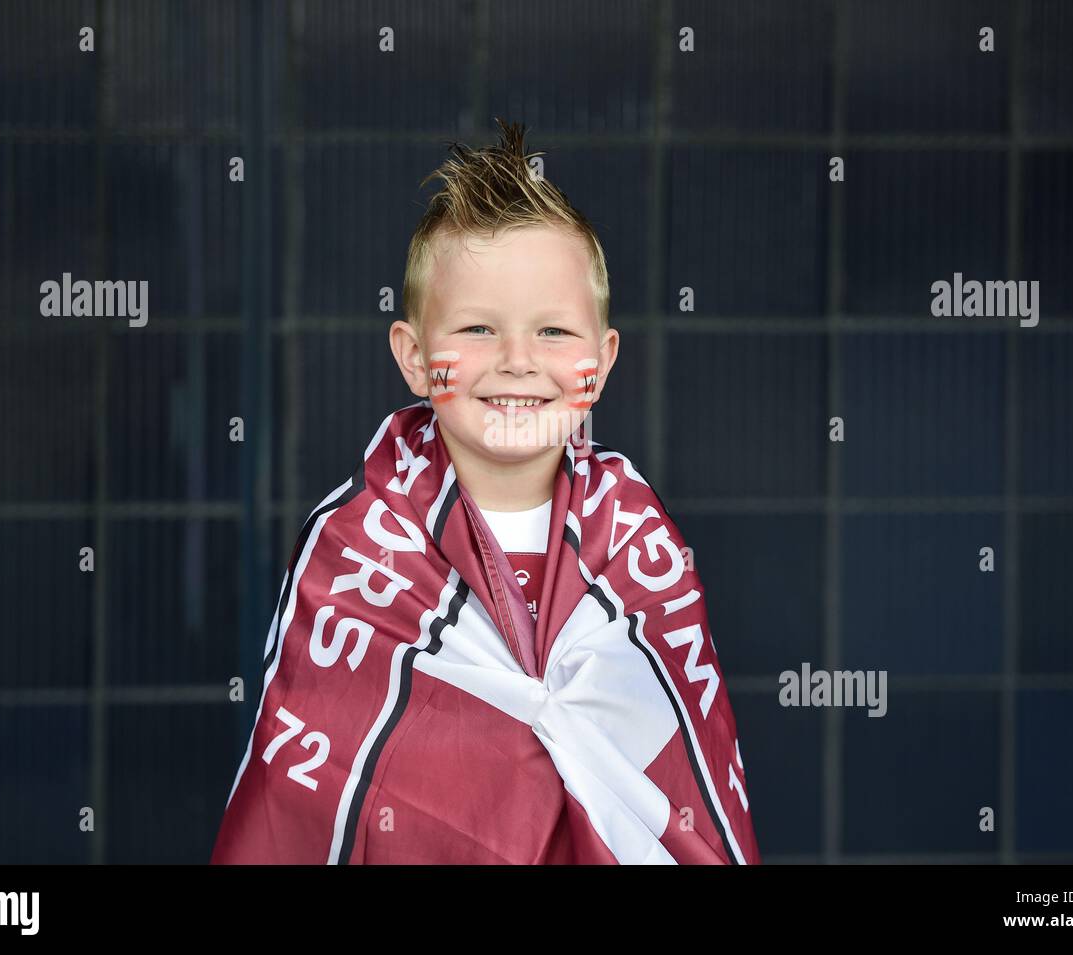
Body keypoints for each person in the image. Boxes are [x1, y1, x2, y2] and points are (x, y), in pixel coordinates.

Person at [211, 119, 759, 864]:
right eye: (475, 328)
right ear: (413, 356)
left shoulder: (640, 542)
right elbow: (302, 804)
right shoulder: (356, 545)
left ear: (601, 361)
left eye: (555, 333)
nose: (517, 361)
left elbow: (689, 788)